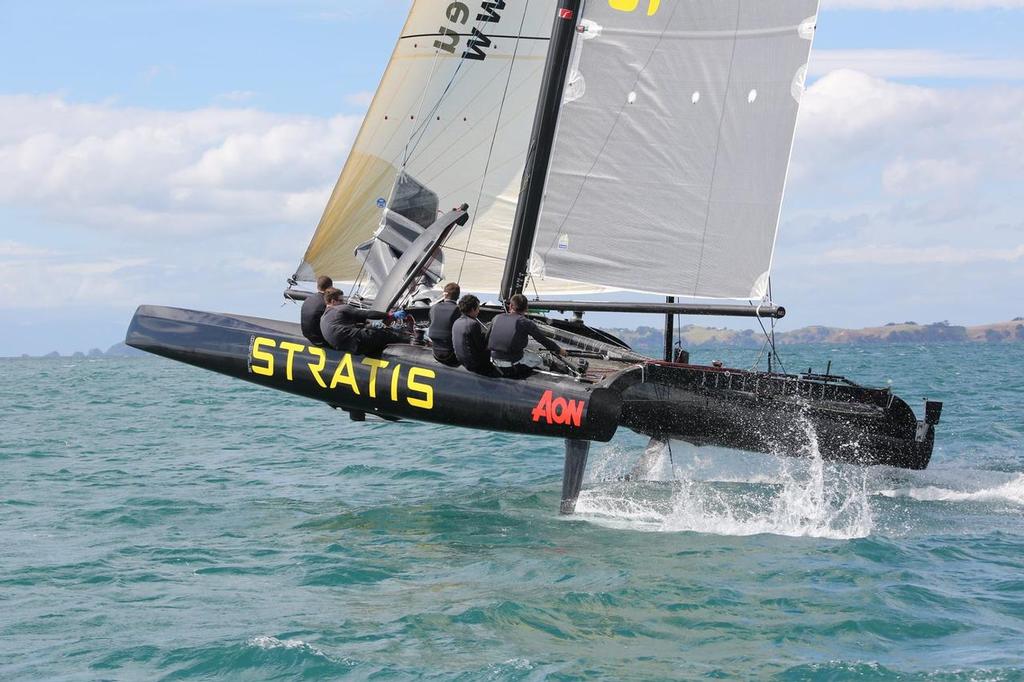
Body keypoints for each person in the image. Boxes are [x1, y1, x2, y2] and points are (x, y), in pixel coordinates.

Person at [488, 294, 564, 379]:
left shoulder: (496, 317)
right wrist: (559, 350)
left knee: (525, 352)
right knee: (540, 360)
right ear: (526, 308)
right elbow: (543, 340)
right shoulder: (526, 323)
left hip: (493, 361)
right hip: (511, 366)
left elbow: (486, 339)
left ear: (511, 306)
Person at [319, 287, 405, 356]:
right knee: (387, 334)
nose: (344, 302)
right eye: (341, 300)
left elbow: (354, 323)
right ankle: (411, 343)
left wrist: (373, 324)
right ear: (333, 302)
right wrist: (390, 315)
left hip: (347, 348)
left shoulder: (324, 317)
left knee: (372, 330)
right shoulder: (341, 308)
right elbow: (366, 314)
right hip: (358, 344)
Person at [451, 295, 499, 377]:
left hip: (462, 360)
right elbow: (481, 346)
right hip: (474, 364)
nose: (478, 311)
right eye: (477, 308)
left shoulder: (457, 322)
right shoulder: (473, 324)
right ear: (473, 309)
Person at [428, 282, 461, 366]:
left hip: (435, 353)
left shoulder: (434, 308)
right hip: (451, 355)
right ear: (458, 296)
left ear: (445, 294)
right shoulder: (459, 310)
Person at [300, 275, 333, 345]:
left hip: (307, 335)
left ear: (317, 286)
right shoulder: (327, 303)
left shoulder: (308, 299)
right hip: (320, 340)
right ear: (330, 287)